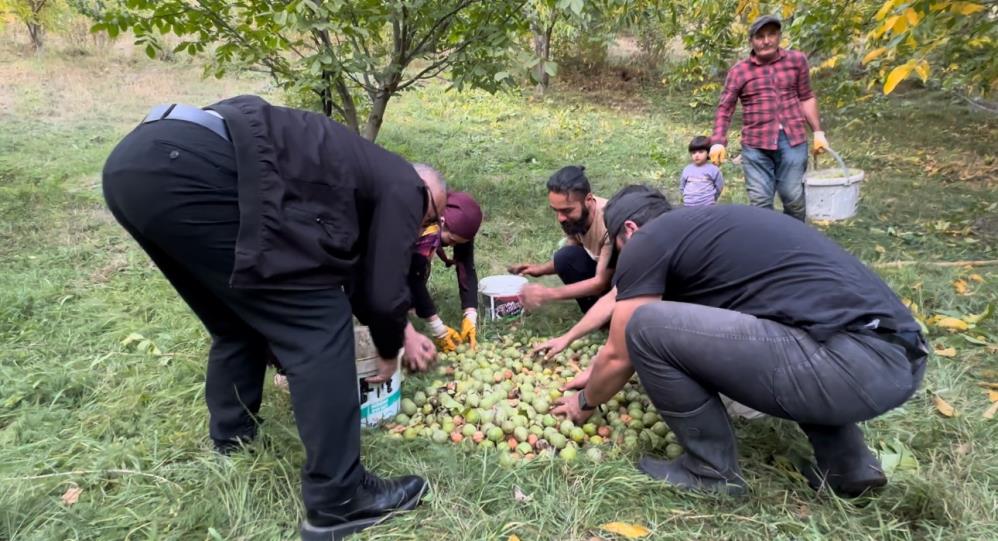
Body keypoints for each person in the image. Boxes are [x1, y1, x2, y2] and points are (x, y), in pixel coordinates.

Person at [101, 95, 443, 540]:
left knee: (236, 318)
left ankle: (233, 436)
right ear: (426, 194)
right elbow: (379, 292)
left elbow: (360, 272)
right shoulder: (405, 185)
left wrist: (398, 328)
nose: (423, 229)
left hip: (136, 165)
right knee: (319, 324)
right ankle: (339, 501)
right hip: (193, 167)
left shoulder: (355, 171)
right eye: (429, 218)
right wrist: (387, 347)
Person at [553, 185, 927, 498]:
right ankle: (849, 466)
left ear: (630, 231)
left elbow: (623, 350)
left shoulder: (647, 240)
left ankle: (709, 470)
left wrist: (585, 402)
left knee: (645, 326)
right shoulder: (708, 236)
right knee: (788, 329)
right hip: (895, 358)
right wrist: (597, 368)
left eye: (619, 249)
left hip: (848, 365)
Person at [709, 15, 829, 221]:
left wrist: (818, 132)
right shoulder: (739, 71)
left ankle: (796, 240)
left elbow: (806, 96)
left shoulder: (797, 61)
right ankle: (767, 246)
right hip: (756, 146)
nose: (766, 41)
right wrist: (718, 142)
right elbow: (725, 108)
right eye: (760, 36)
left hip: (793, 140)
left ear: (779, 36)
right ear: (751, 41)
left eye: (771, 34)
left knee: (793, 197)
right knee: (760, 203)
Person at [510, 166, 613, 313]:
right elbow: (572, 255)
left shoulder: (610, 224)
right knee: (565, 257)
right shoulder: (576, 218)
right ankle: (596, 314)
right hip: (608, 275)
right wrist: (539, 269)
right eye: (556, 210)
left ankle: (609, 318)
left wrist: (548, 294)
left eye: (566, 210)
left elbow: (600, 283)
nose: (560, 218)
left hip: (632, 286)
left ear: (588, 200)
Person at [409, 191, 483, 352]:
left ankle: (413, 305)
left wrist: (470, 315)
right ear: (442, 222)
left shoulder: (461, 225)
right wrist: (437, 327)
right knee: (416, 269)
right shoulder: (424, 225)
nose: (453, 245)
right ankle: (407, 307)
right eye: (452, 241)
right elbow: (412, 274)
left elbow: (466, 266)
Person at [680, 136, 724, 207]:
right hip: (688, 205)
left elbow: (719, 186)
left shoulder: (713, 169)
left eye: (701, 152)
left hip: (707, 205)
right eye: (694, 153)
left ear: (708, 153)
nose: (697, 155)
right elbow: (682, 186)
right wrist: (686, 198)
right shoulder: (687, 169)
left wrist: (712, 198)